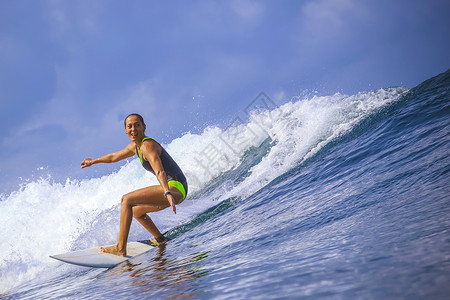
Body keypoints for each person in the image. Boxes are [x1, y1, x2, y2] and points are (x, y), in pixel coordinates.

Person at [81, 113, 188, 256]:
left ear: (144, 127)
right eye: (129, 126)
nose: (133, 129)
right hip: (175, 188)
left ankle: (120, 247)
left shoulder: (147, 145)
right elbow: (114, 157)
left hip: (175, 187)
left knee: (126, 199)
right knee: (137, 211)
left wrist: (167, 192)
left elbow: (159, 171)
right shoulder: (135, 146)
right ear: (125, 130)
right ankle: (160, 239)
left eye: (137, 125)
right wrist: (94, 161)